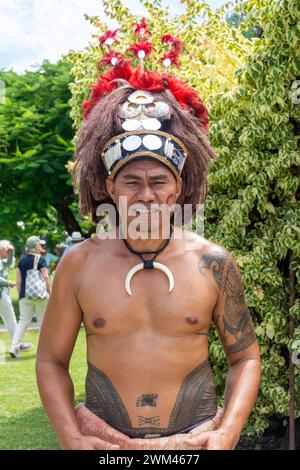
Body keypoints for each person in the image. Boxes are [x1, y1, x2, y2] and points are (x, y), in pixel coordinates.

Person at [36, 22, 260, 450]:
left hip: (195, 444)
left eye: (158, 182)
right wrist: (70, 435)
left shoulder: (213, 263)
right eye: (131, 183)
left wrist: (227, 432)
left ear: (177, 189)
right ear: (109, 189)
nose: (146, 195)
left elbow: (245, 357)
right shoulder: (78, 264)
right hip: (105, 445)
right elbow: (49, 360)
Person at [10, 236, 51, 358]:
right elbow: (46, 278)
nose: (41, 246)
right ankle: (43, 350)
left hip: (25, 295)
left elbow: (18, 281)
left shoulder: (21, 260)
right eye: (39, 244)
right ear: (35, 246)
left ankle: (13, 347)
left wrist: (20, 295)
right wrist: (50, 292)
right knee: (42, 322)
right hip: (40, 296)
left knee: (22, 322)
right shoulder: (40, 259)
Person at [0, 240, 32, 355]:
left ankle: (17, 344)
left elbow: (9, 264)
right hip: (1, 296)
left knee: (10, 320)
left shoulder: (1, 261)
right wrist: (9, 283)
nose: (7, 251)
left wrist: (12, 251)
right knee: (11, 320)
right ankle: (16, 345)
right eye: (6, 249)